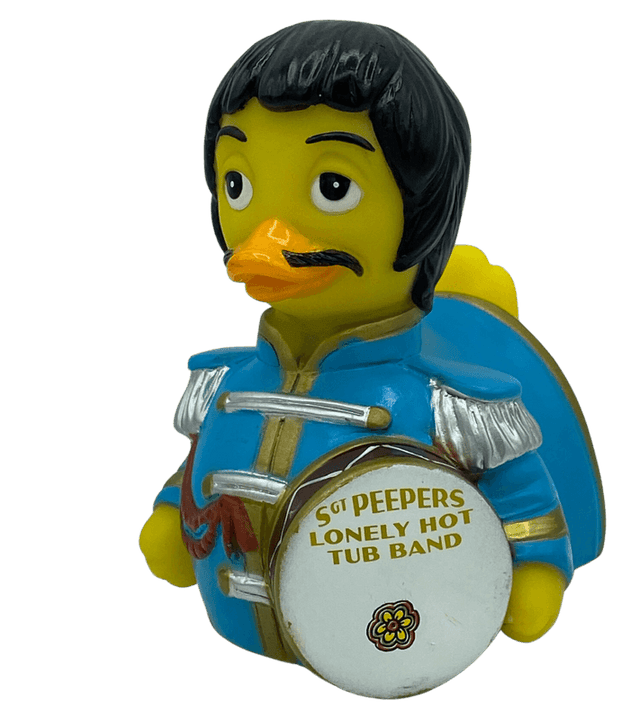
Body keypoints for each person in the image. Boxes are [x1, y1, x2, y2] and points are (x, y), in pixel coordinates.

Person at [139, 20, 603, 692]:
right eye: (238, 183)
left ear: (421, 209)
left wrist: (534, 570)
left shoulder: (449, 400)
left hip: (393, 643)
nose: (265, 233)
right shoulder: (224, 381)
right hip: (228, 653)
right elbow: (203, 467)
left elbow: (520, 490)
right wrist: (170, 513)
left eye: (332, 186)